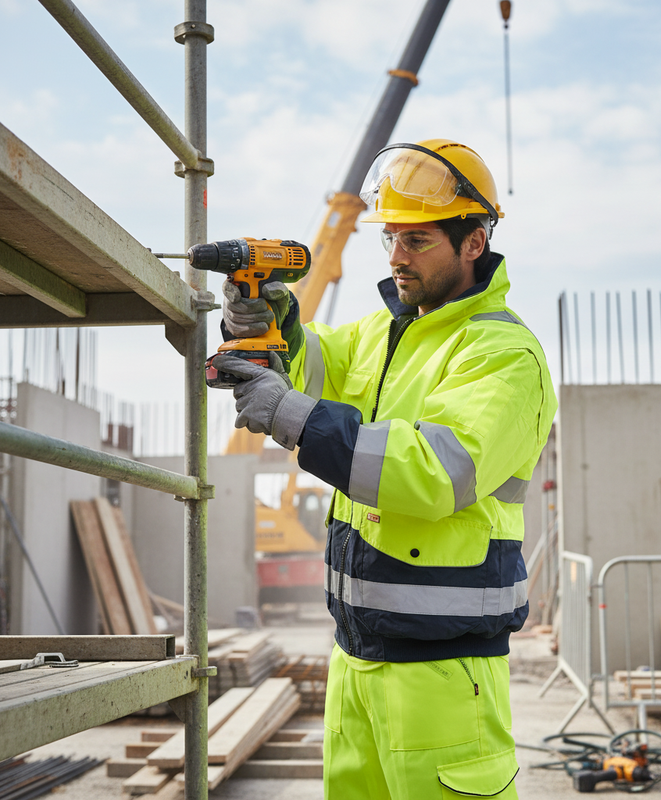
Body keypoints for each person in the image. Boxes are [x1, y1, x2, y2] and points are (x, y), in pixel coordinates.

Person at [214, 139, 557, 800]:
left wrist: (289, 413)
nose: (397, 256)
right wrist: (270, 320)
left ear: (474, 243)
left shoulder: (504, 354)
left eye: (417, 240)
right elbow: (312, 366)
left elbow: (432, 474)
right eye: (391, 237)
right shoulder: (385, 332)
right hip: (354, 662)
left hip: (442, 674)